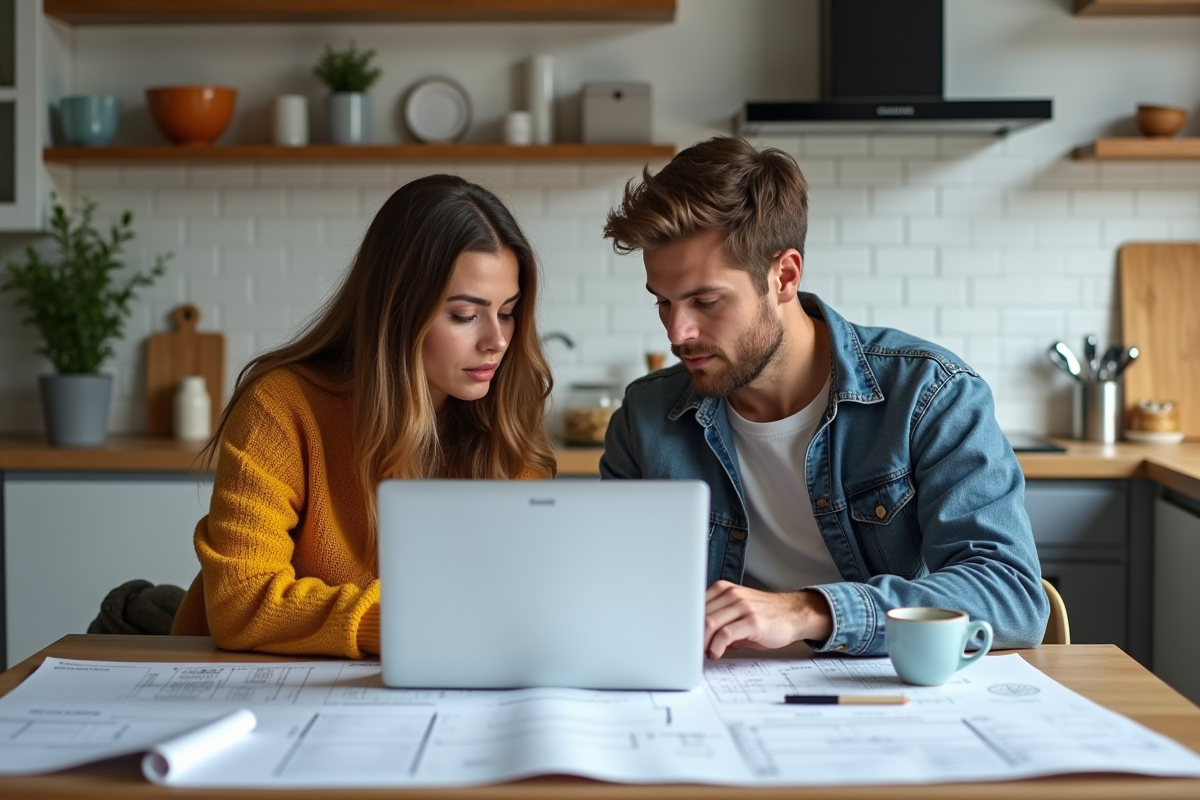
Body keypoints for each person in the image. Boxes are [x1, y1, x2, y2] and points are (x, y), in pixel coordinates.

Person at [600, 137, 1047, 660]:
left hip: (886, 696)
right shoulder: (646, 417)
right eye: (664, 303)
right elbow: (614, 592)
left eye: (706, 301)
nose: (677, 333)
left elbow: (1011, 596)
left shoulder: (930, 395)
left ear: (784, 275)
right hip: (709, 695)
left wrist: (808, 610)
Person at [172, 174, 557, 658]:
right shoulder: (282, 407)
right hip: (241, 684)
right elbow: (241, 602)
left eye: (507, 311)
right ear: (396, 311)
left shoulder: (504, 421)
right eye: (464, 315)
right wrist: (407, 624)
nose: (497, 340)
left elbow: (513, 602)